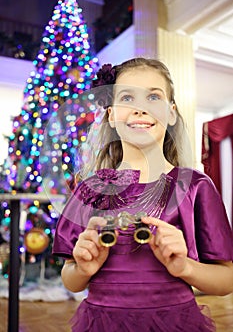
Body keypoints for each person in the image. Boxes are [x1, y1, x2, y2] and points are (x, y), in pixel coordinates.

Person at [52, 57, 233, 332]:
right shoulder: (88, 191)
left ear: (171, 113)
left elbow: (226, 281)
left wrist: (184, 267)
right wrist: (83, 268)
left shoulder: (196, 187)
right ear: (111, 115)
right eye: (127, 97)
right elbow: (70, 278)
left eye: (153, 97)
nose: (139, 109)